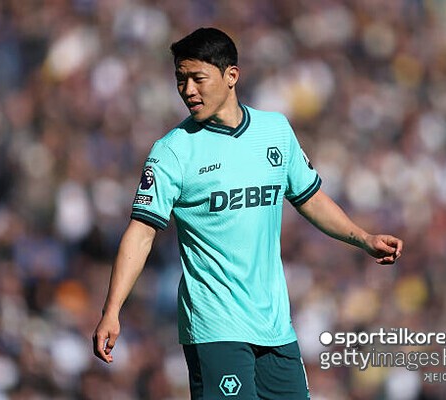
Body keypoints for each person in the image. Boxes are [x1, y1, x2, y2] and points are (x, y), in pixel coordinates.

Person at [92, 27, 404, 399]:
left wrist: (363, 238)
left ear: (231, 76)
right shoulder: (173, 151)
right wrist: (112, 310)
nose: (187, 90)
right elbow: (141, 233)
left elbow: (310, 198)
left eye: (198, 78)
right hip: (214, 326)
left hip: (275, 325)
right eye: (180, 79)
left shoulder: (275, 131)